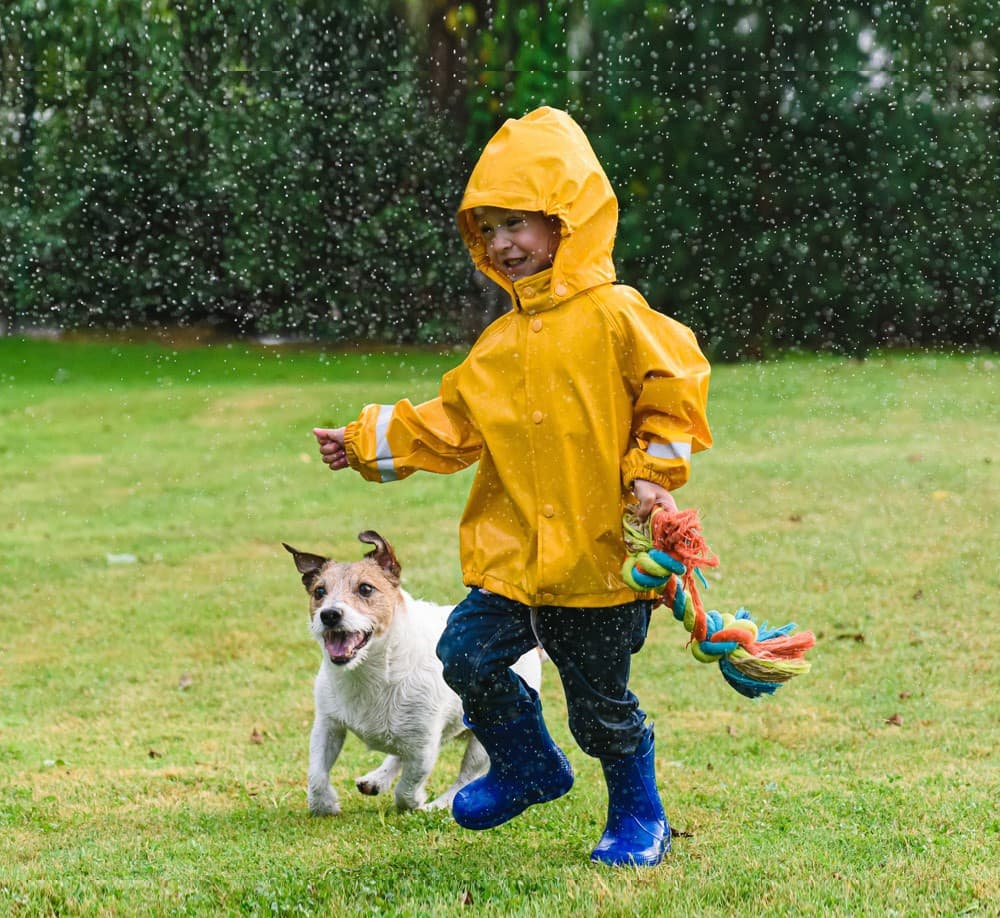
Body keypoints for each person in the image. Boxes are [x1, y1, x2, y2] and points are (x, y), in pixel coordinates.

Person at [313, 107, 712, 867]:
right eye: (488, 229)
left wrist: (651, 478)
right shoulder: (498, 344)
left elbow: (675, 386)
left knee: (599, 706)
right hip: (513, 560)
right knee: (465, 653)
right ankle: (528, 764)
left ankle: (639, 815)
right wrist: (366, 441)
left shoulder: (616, 316)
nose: (502, 243)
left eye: (517, 224)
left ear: (568, 221)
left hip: (598, 561)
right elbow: (451, 424)